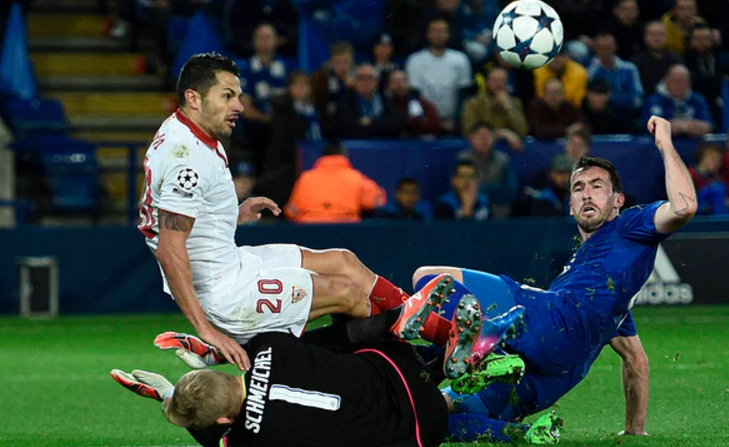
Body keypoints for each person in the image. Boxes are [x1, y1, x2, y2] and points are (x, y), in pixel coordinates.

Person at [138, 53, 433, 372]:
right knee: (347, 294)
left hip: (230, 263)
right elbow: (169, 249)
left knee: (343, 261)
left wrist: (230, 214)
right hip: (225, 293)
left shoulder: (189, 131)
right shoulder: (187, 158)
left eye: (238, 95)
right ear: (193, 98)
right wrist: (207, 329)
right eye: (227, 96)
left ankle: (429, 324)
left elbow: (174, 213)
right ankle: (419, 361)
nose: (239, 106)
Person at [413, 116, 698, 442]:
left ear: (618, 201)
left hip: (552, 323)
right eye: (578, 188)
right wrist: (635, 430)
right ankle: (522, 435)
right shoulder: (607, 299)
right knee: (431, 418)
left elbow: (684, 207)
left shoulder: (627, 224)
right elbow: (636, 361)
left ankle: (477, 345)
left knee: (428, 278)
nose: (587, 194)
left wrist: (664, 143)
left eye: (597, 186)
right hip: (548, 378)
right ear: (571, 207)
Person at [112, 287, 537, 447]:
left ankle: (511, 430)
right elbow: (337, 338)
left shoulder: (248, 440)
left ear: (225, 421)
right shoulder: (268, 346)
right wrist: (212, 355)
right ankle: (423, 334)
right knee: (343, 336)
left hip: (418, 434)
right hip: (400, 370)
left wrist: (168, 397)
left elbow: (214, 435)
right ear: (225, 375)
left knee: (422, 417)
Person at [284, 141, 387, 223]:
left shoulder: (305, 178)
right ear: (344, 156)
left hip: (309, 229)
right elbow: (376, 202)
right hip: (345, 230)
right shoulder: (356, 177)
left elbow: (291, 211)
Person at [405, 18, 472, 134]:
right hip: (425, 123)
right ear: (428, 34)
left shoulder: (460, 59)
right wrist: (426, 120)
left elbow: (464, 94)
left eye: (442, 31)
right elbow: (414, 95)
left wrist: (456, 120)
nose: (438, 35)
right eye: (434, 31)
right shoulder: (414, 60)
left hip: (452, 122)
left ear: (448, 34)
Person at [461, 67, 528, 143]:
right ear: (487, 82)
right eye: (494, 80)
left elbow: (523, 131)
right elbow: (468, 132)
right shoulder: (473, 103)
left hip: (508, 146)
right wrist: (500, 133)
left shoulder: (515, 102)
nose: (498, 84)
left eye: (501, 80)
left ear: (507, 83)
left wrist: (509, 107)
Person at [642, 64, 712, 137]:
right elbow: (655, 128)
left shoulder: (697, 99)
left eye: (682, 81)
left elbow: (707, 127)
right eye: (674, 81)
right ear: (666, 81)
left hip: (693, 143)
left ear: (689, 83)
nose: (678, 85)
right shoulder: (654, 101)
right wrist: (691, 126)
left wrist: (682, 126)